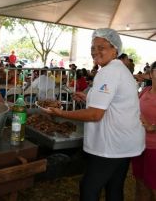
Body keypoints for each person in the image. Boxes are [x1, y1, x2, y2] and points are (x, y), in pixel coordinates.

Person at [43, 28, 145, 201]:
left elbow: (95, 115)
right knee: (114, 187)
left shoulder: (108, 72)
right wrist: (88, 97)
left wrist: (61, 113)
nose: (95, 52)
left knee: (89, 188)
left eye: (101, 47)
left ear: (115, 49)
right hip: (126, 143)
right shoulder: (120, 70)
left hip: (111, 145)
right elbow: (113, 102)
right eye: (92, 48)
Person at [132, 60, 156, 201]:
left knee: (154, 187)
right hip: (139, 145)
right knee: (140, 183)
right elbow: (133, 108)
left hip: (154, 148)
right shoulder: (145, 91)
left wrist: (153, 127)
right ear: (151, 74)